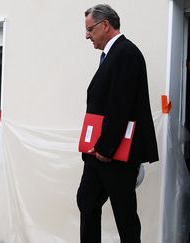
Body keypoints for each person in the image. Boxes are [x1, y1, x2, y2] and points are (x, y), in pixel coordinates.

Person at [77, 4, 159, 243]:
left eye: (90, 29)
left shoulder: (126, 53)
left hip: (115, 155)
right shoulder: (112, 55)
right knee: (87, 201)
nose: (87, 35)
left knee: (125, 217)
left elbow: (120, 104)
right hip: (98, 153)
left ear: (105, 25)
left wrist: (105, 147)